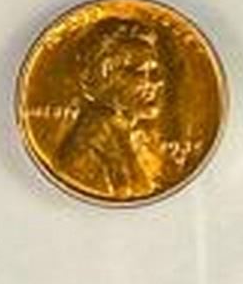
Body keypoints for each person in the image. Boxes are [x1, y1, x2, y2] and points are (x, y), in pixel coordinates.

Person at [51, 17, 179, 200]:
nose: (157, 81)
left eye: (154, 70)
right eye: (140, 71)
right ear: (105, 78)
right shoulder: (87, 151)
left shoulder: (127, 135)